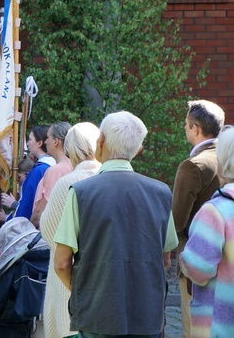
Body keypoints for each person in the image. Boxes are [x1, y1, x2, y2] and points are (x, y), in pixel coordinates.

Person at [53, 111, 178, 337]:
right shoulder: (161, 192)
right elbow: (165, 259)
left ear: (100, 141)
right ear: (138, 150)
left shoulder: (81, 193)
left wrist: (86, 292)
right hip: (148, 316)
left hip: (97, 316)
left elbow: (61, 263)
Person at [39, 122, 101, 338]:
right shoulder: (108, 179)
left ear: (70, 149)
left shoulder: (67, 183)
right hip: (103, 279)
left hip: (67, 274)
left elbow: (48, 230)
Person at [172, 99, 226, 335]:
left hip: (197, 262)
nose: (184, 128)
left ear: (195, 128)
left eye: (186, 124)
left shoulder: (193, 165)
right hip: (229, 261)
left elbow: (177, 222)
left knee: (193, 330)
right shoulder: (227, 159)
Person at [179, 125, 234, 338]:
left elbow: (198, 270)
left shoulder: (216, 211)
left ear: (222, 163)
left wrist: (184, 259)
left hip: (220, 324)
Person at [31, 121, 72, 228]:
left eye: (48, 138)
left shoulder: (56, 170)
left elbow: (40, 211)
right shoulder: (74, 166)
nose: (45, 142)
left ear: (56, 141)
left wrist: (28, 229)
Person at [10, 125, 55, 221]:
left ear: (39, 143)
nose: (28, 143)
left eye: (30, 139)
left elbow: (28, 204)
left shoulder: (39, 170)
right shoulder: (53, 164)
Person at [0, 158, 34, 223]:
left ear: (27, 174)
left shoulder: (32, 188)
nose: (18, 180)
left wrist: (13, 204)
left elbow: (28, 212)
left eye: (19, 177)